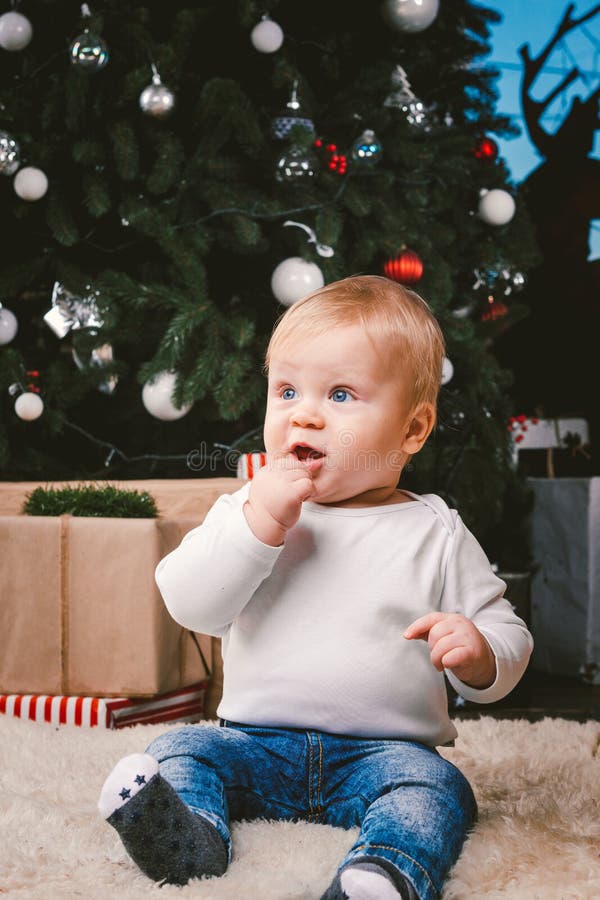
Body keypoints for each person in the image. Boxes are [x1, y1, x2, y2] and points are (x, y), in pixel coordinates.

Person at [98, 275, 533, 899]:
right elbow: (189, 602)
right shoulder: (249, 507)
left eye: (341, 394)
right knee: (182, 748)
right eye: (287, 390)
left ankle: (383, 871)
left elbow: (508, 633)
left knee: (438, 789)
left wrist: (482, 652)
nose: (303, 412)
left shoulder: (434, 529)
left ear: (412, 431)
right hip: (251, 745)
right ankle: (191, 840)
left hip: (385, 755)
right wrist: (260, 526)